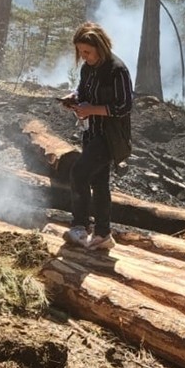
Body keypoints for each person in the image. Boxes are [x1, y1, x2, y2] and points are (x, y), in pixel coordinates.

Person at [60, 21, 133, 252]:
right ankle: (103, 234)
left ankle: (79, 227)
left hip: (109, 137)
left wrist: (91, 109)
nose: (84, 56)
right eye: (81, 52)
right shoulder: (87, 68)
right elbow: (84, 91)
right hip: (91, 132)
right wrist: (74, 97)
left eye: (87, 52)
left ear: (100, 47)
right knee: (99, 183)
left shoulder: (117, 70)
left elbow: (124, 106)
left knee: (78, 172)